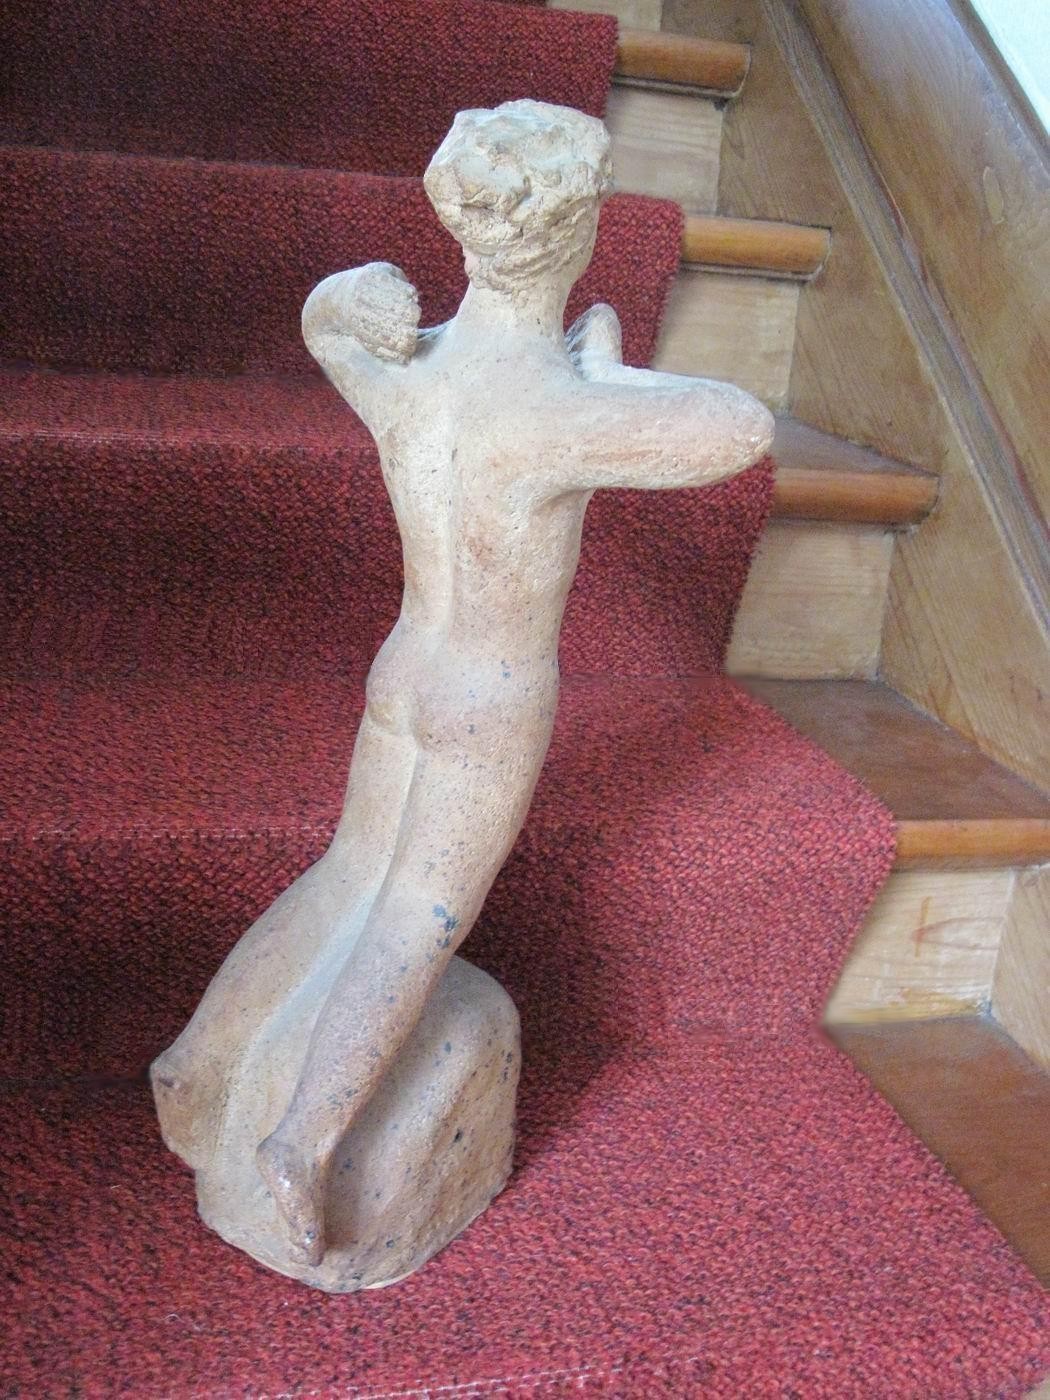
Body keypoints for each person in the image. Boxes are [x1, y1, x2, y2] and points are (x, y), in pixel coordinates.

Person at [153, 99, 774, 1268]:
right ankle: (299, 1143)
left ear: (460, 217)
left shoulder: (412, 373)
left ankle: (197, 1062)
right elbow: (736, 425)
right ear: (577, 230)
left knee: (348, 868)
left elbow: (327, 327)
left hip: (403, 670)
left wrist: (342, 297)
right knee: (412, 912)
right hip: (489, 700)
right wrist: (610, 366)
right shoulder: (564, 412)